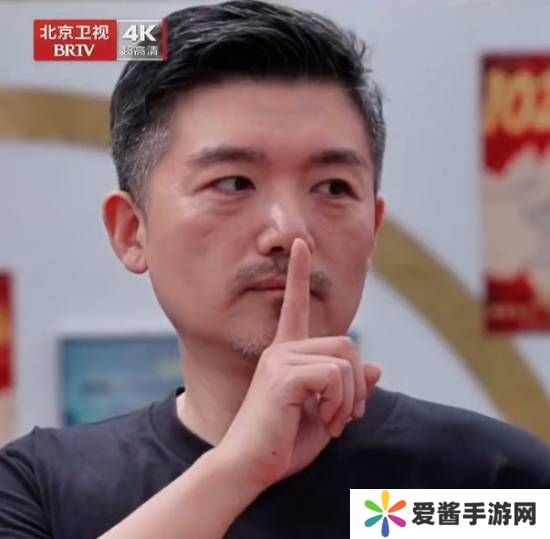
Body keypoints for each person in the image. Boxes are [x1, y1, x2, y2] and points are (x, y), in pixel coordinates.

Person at [1, 1, 549, 538]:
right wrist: (238, 469)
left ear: (374, 229)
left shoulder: (496, 485)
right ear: (131, 231)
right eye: (233, 183)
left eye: (333, 187)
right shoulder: (40, 489)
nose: (290, 231)